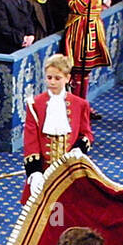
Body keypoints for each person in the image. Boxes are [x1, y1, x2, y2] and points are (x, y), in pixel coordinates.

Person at [22, 53, 92, 201]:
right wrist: (35, 172)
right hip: (43, 172)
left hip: (70, 171)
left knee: (69, 211)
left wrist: (79, 149)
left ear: (67, 78)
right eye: (49, 78)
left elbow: (86, 134)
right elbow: (30, 141)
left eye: (57, 78)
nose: (52, 82)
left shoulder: (80, 104)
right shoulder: (34, 105)